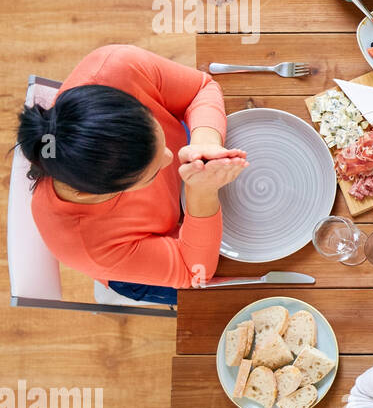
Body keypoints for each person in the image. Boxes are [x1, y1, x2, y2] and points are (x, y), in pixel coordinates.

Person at [16, 45, 247, 304]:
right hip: (144, 262)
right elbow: (193, 271)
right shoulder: (87, 245)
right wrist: (201, 192)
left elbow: (201, 88)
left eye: (159, 132)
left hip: (182, 214)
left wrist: (205, 143)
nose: (171, 156)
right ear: (94, 193)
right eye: (150, 175)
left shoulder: (116, 67)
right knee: (237, 283)